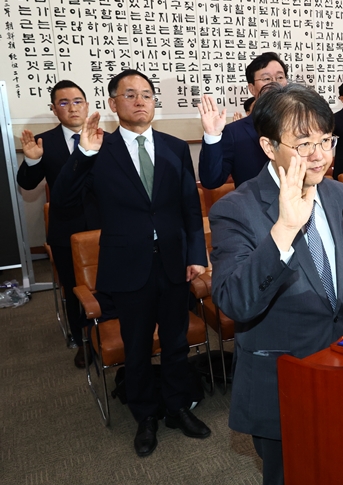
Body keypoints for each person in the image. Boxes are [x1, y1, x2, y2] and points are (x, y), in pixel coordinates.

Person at [208, 83, 343, 485]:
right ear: (268, 147)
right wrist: (284, 228)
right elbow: (235, 301)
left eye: (326, 140)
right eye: (303, 143)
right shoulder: (235, 209)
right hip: (283, 381)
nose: (319, 155)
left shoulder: (341, 195)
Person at [50, 69, 210, 456]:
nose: (141, 101)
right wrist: (84, 154)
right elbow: (64, 204)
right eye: (130, 95)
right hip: (127, 266)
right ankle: (145, 416)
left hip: (173, 264)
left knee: (174, 344)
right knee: (136, 347)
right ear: (112, 104)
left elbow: (190, 206)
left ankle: (176, 407)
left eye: (148, 95)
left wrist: (195, 256)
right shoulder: (97, 150)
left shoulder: (174, 147)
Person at [16, 80, 99, 367]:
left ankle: (112, 330)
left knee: (111, 281)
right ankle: (84, 339)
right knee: (74, 288)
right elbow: (27, 184)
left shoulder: (106, 137)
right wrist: (31, 162)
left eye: (77, 101)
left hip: (106, 226)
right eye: (64, 102)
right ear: (54, 109)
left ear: (86, 105)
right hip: (67, 229)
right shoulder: (44, 142)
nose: (72, 107)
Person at [198, 52, 288, 188]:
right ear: (252, 88)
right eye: (267, 79)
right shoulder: (235, 132)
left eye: (280, 77)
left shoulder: (303, 124)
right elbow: (211, 181)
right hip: (255, 207)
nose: (275, 83)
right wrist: (212, 135)